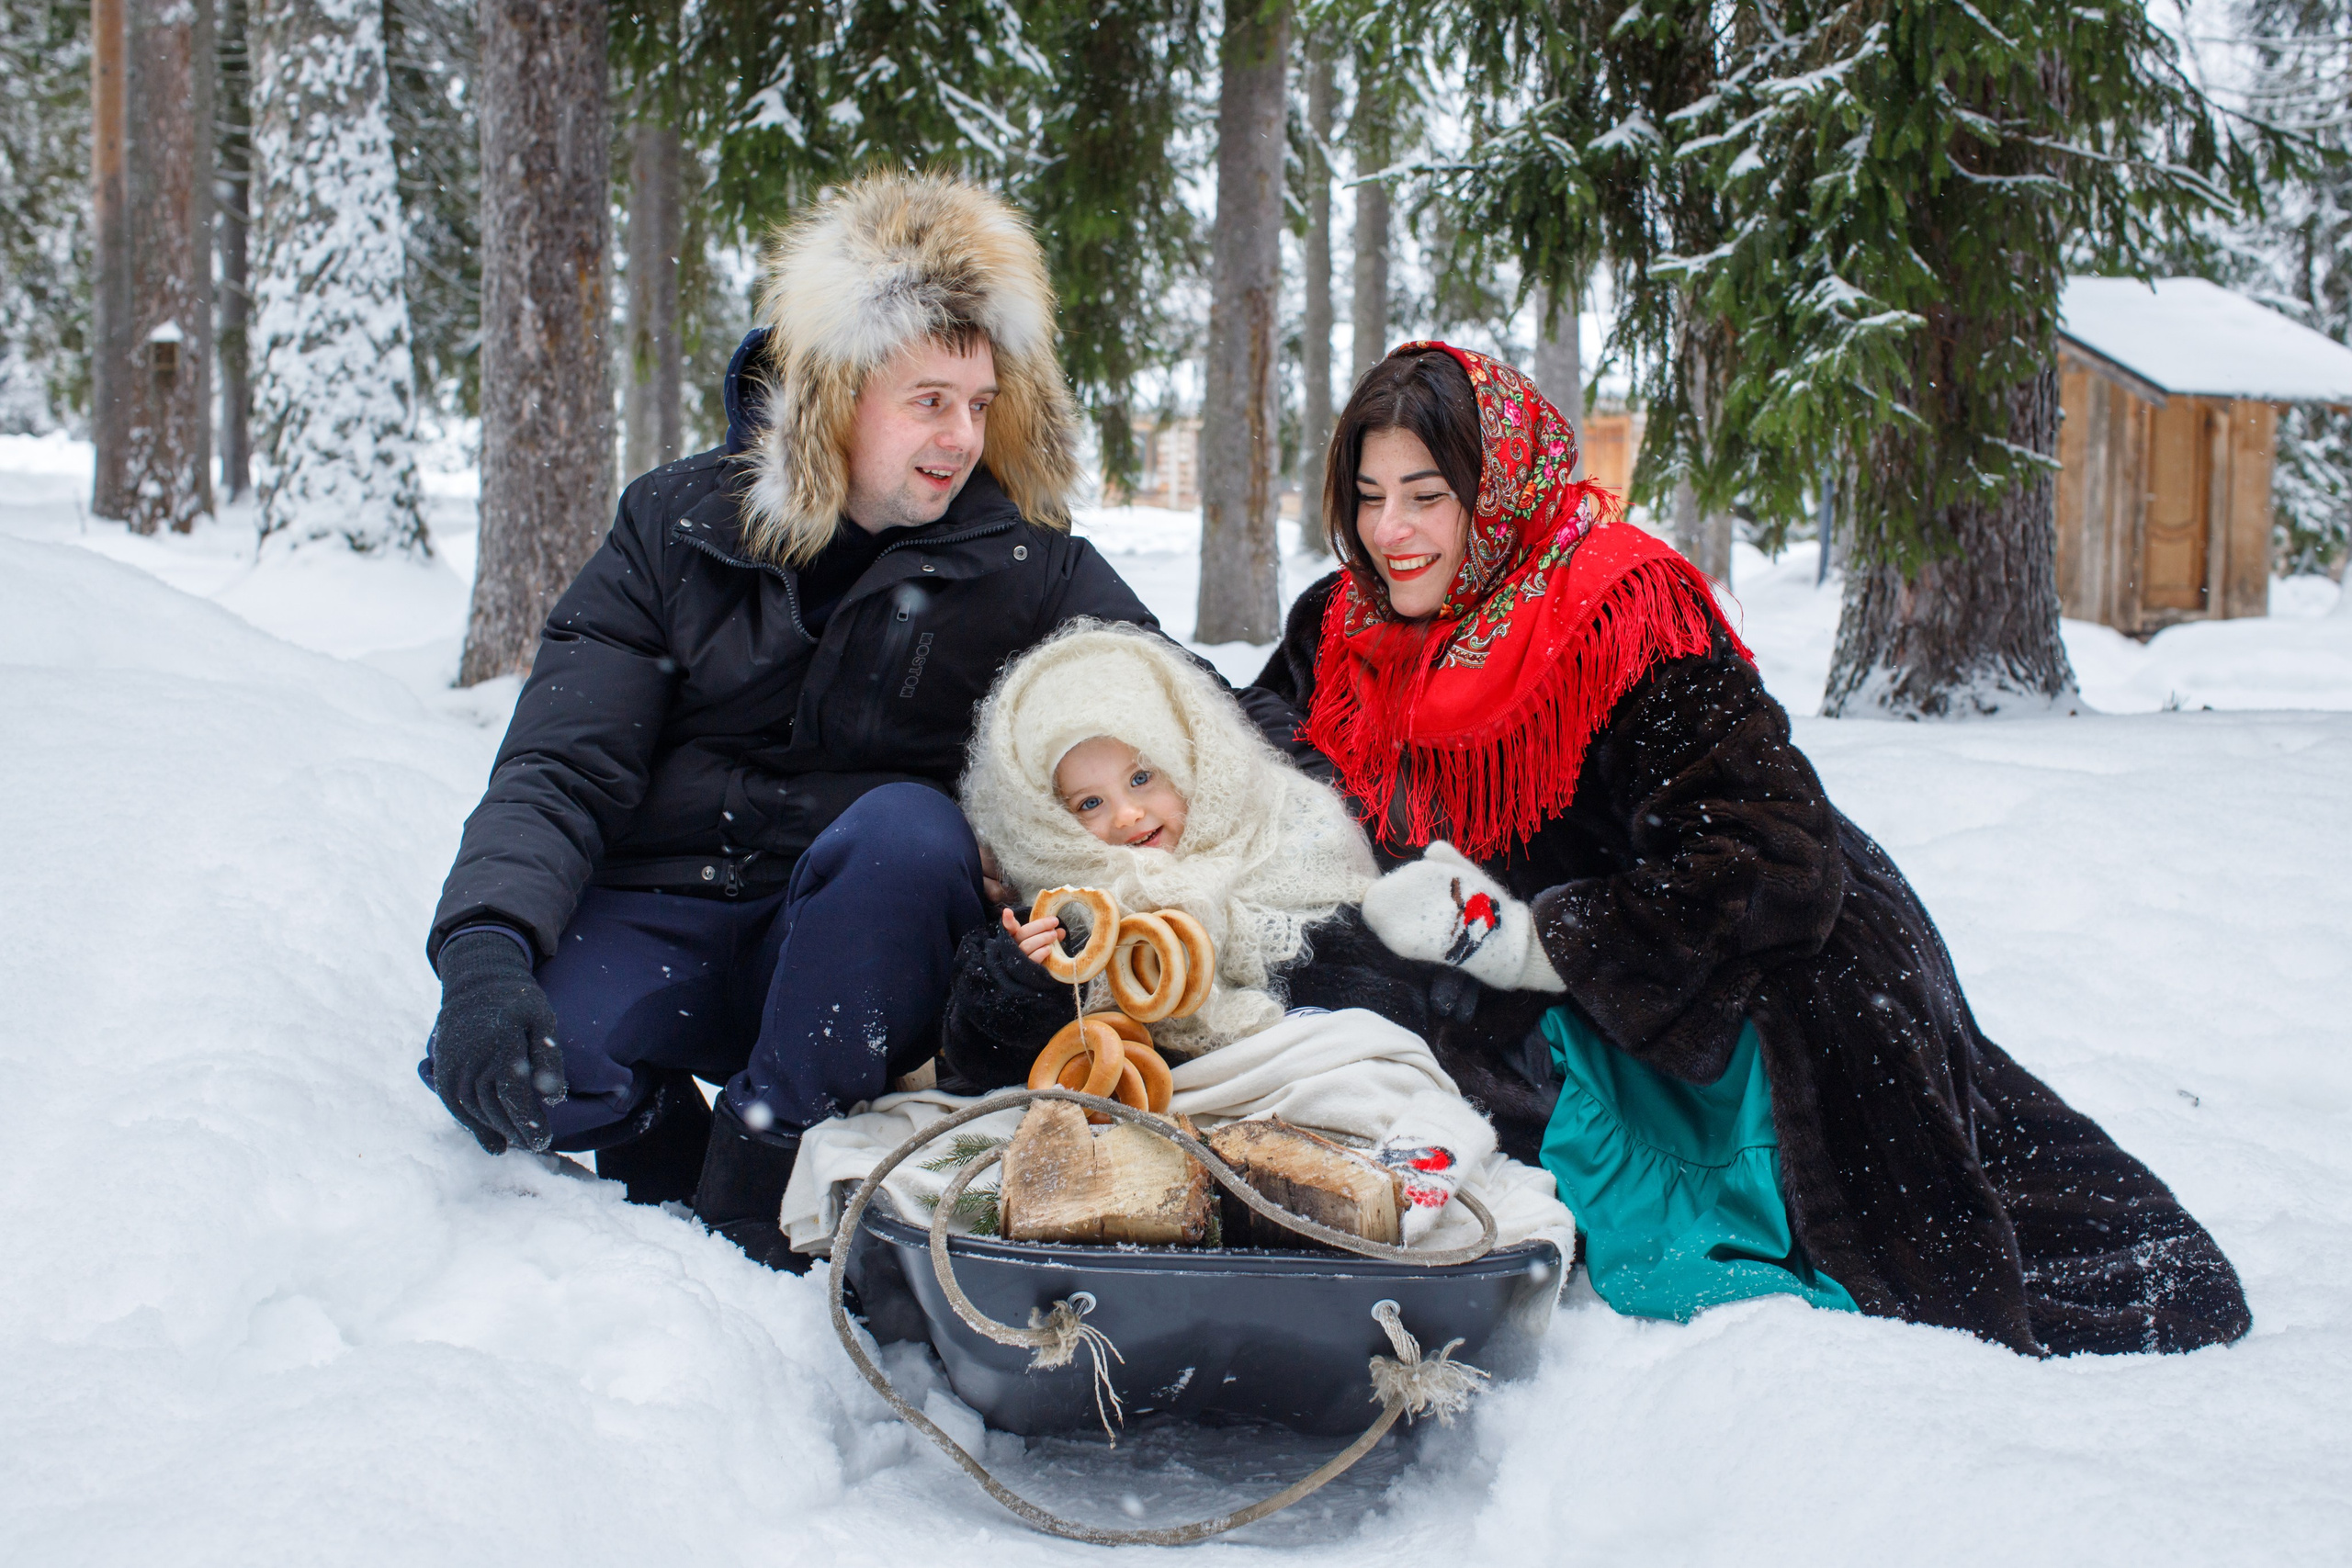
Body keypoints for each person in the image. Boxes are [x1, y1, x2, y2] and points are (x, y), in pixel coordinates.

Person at [1253, 341, 2251, 1356]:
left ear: (1492, 489)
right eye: (1369, 496)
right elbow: (1250, 746)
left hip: (1745, 973)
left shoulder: (1620, 614)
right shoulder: (1344, 627)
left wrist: (1520, 942)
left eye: (1424, 495)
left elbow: (1770, 858)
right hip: (1515, 989)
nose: (1390, 532)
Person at [419, 173, 1305, 1269]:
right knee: (536, 1079)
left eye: (980, 404)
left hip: (859, 947)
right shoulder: (675, 526)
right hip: (672, 905)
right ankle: (666, 1138)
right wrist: (486, 954)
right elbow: (560, 764)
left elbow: (1182, 706)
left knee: (904, 828)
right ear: (836, 394)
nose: (962, 437)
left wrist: (1328, 762)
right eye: (928, 400)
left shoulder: (1021, 562)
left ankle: (766, 1155)